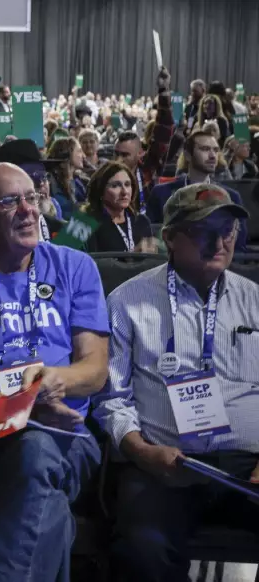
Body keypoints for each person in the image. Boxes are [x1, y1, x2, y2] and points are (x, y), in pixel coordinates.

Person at [0, 162, 110, 582]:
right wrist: (22, 411)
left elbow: (95, 368)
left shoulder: (75, 267)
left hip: (66, 436)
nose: (29, 210)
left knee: (35, 454)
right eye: (11, 201)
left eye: (32, 197)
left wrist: (57, 381)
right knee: (46, 500)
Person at [93, 183, 258, 582]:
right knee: (141, 548)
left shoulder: (254, 299)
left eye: (229, 230)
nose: (221, 241)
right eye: (205, 230)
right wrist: (139, 450)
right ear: (169, 237)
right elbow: (112, 398)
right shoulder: (127, 301)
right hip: (163, 465)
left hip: (246, 464)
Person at [147, 130, 248, 252]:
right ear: (188, 154)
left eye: (216, 150)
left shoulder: (232, 197)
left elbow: (239, 246)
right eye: (205, 149)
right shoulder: (161, 193)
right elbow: (150, 240)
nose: (212, 156)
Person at [112, 68, 174, 214]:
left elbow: (164, 130)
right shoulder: (105, 177)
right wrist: (67, 238)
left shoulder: (147, 168)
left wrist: (163, 91)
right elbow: (87, 214)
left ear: (140, 154)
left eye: (125, 155)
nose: (118, 159)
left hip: (145, 230)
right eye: (116, 154)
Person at [81, 161, 155, 253]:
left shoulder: (142, 221)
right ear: (100, 190)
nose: (124, 192)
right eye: (115, 186)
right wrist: (133, 256)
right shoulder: (83, 221)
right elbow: (62, 257)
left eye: (127, 184)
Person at [47, 136, 86, 216]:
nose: (83, 155)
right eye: (79, 151)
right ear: (67, 154)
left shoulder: (78, 181)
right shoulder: (51, 182)